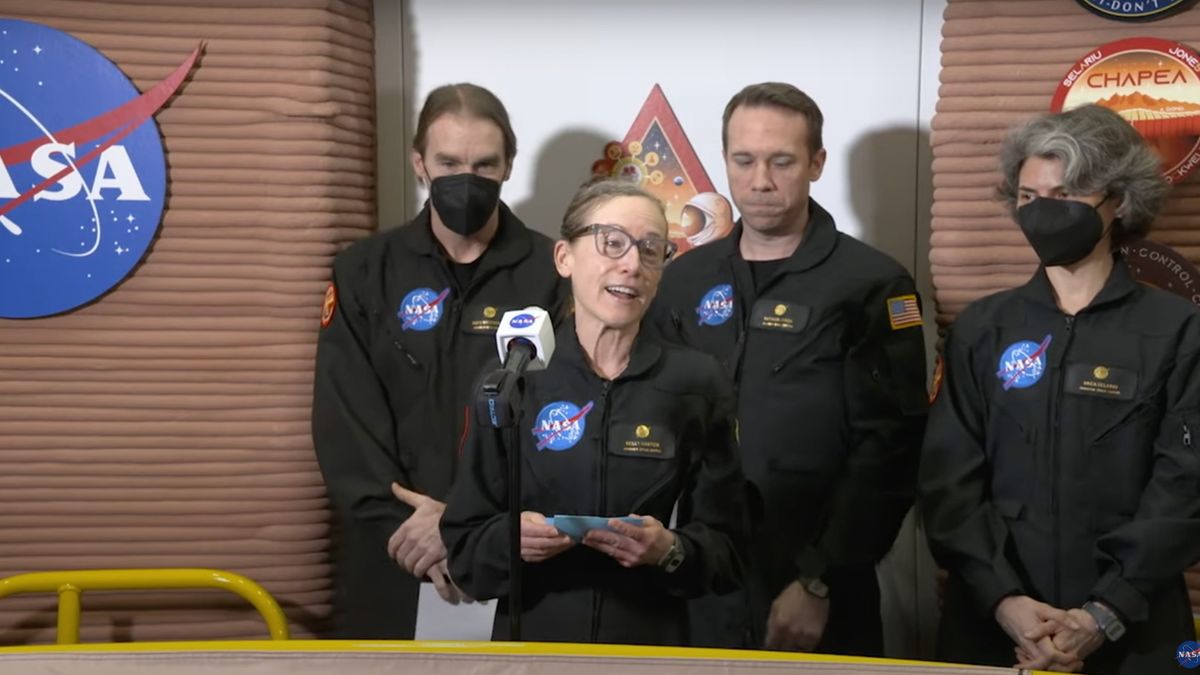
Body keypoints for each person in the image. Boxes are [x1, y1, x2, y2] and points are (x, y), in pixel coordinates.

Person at [920, 104, 1200, 675]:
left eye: (1066, 195)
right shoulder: (981, 328)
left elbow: (1186, 487)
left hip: (1137, 633)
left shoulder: (1178, 331)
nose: (1043, 212)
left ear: (1117, 201)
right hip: (994, 627)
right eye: (1029, 197)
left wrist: (1102, 615)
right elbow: (948, 482)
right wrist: (1005, 602)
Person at [650, 82, 928, 655]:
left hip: (821, 588)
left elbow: (892, 448)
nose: (760, 182)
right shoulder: (683, 281)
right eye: (743, 160)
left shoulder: (871, 283)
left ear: (816, 163)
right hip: (699, 578)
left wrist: (819, 578)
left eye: (782, 161)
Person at [311, 83, 568, 638]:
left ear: (508, 166)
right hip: (395, 553)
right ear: (419, 162)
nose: (465, 178)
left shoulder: (555, 273)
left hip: (513, 558)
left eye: (483, 163)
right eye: (449, 162)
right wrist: (414, 534)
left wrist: (468, 530)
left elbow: (564, 425)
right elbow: (344, 422)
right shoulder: (364, 270)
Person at [440, 178, 746, 645]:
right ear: (565, 257)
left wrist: (669, 551)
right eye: (612, 242)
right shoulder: (512, 377)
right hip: (535, 646)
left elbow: (730, 554)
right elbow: (464, 551)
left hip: (652, 646)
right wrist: (511, 540)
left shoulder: (696, 382)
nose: (631, 264)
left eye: (650, 249)